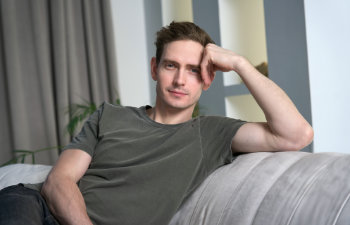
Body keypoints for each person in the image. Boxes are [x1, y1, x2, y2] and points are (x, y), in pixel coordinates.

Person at [0, 21, 313, 225]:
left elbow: (296, 134)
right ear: (154, 68)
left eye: (193, 69)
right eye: (171, 65)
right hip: (33, 207)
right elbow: (58, 182)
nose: (179, 79)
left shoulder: (211, 133)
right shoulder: (111, 115)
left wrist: (241, 64)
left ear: (208, 77)